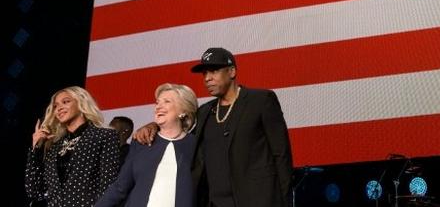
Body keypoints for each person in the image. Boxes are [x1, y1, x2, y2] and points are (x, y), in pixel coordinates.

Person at [135, 47, 294, 207]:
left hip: (259, 201)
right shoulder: (205, 112)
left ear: (231, 72)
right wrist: (154, 125)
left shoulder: (260, 100)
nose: (207, 78)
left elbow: (281, 154)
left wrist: (285, 201)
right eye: (205, 73)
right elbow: (177, 130)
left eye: (214, 71)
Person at [97, 83, 198, 207]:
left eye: (166, 101)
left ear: (183, 111)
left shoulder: (196, 145)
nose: (158, 107)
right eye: (157, 102)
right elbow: (120, 187)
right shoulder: (141, 141)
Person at [25, 86, 121, 207]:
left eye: (66, 102)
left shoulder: (103, 136)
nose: (59, 108)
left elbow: (108, 186)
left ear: (81, 103)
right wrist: (36, 149)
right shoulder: (55, 146)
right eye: (55, 106)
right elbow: (35, 192)